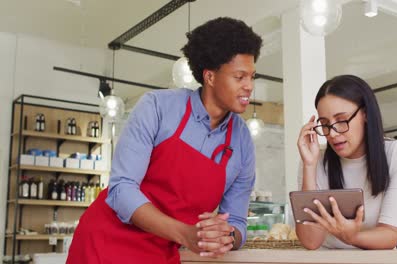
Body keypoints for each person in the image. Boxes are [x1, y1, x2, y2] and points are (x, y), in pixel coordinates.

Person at [67, 17, 262, 263]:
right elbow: (121, 189)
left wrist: (225, 236)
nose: (249, 86)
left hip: (163, 253)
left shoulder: (242, 141)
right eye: (240, 77)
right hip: (105, 243)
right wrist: (186, 234)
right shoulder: (158, 107)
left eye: (252, 77)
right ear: (210, 76)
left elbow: (236, 221)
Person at [296, 75, 397, 250]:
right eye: (325, 124)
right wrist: (309, 166)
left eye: (342, 120)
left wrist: (352, 237)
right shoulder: (314, 160)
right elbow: (311, 241)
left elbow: (390, 235)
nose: (333, 134)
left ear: (365, 114)